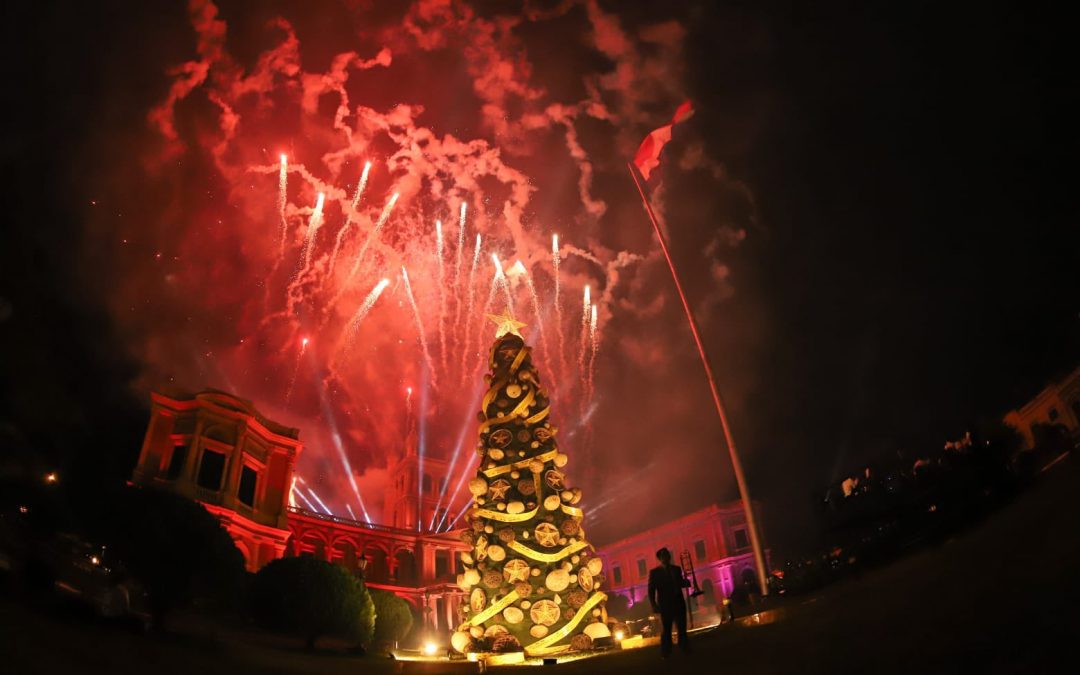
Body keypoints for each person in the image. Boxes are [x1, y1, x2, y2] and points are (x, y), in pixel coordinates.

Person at [648, 547, 690, 657]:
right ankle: (666, 652)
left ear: (669, 557)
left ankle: (684, 648)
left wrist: (686, 582)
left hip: (678, 602)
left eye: (667, 555)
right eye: (663, 556)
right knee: (667, 630)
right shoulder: (654, 572)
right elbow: (651, 590)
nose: (665, 557)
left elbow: (679, 583)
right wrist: (653, 604)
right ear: (660, 558)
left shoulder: (677, 569)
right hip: (665, 605)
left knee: (682, 627)